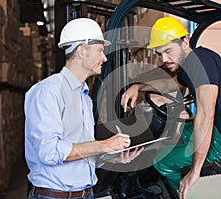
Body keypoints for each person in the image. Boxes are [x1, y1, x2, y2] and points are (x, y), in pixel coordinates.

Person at [121, 17, 221, 199]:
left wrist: (194, 170)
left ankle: (187, 192)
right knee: (176, 135)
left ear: (185, 42)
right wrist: (137, 86)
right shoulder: (191, 66)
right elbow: (169, 84)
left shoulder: (199, 61)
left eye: (168, 51)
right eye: (159, 53)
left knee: (161, 161)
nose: (164, 59)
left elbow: (205, 115)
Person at [25, 18, 143, 199]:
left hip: (85, 194)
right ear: (82, 51)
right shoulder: (47, 92)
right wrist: (105, 144)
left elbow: (81, 153)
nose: (104, 58)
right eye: (100, 51)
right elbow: (49, 152)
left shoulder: (84, 98)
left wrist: (112, 157)